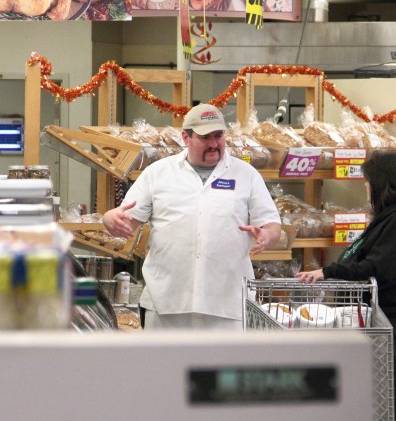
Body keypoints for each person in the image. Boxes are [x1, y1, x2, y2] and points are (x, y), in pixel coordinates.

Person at [103, 103, 281, 330]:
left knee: (223, 366)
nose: (214, 144)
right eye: (205, 137)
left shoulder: (246, 175)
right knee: (165, 366)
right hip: (166, 303)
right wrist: (109, 219)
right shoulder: (158, 173)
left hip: (227, 306)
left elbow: (273, 226)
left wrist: (267, 235)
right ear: (186, 138)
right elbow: (126, 220)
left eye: (219, 136)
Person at [295, 149, 396, 421]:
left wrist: (328, 272)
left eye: (368, 182)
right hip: (380, 319)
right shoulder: (391, 218)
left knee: (380, 394)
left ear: (382, 183)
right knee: (380, 392)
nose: (366, 188)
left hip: (392, 322)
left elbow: (379, 270)